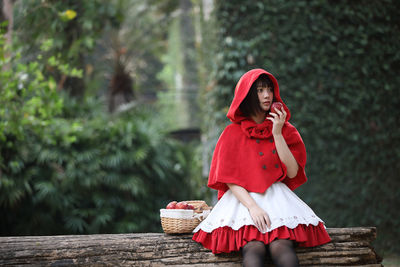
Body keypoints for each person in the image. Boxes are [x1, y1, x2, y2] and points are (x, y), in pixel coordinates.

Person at [192, 69, 331, 267]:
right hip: (243, 203)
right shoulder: (232, 133)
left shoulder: (286, 130)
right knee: (253, 249)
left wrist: (277, 134)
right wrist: (253, 207)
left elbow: (292, 172)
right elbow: (229, 178)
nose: (267, 95)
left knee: (281, 247)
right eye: (259, 90)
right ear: (247, 95)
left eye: (269, 89)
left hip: (276, 199)